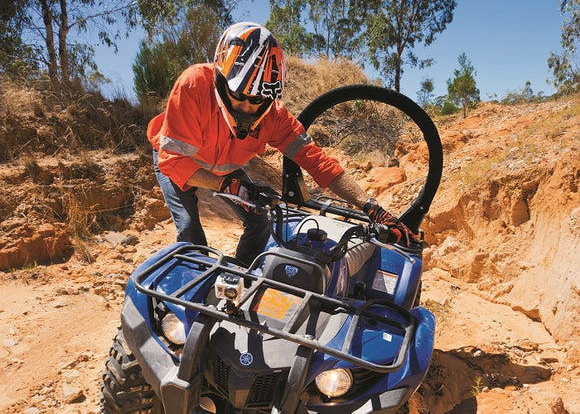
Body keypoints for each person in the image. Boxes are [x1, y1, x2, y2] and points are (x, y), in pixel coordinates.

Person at [147, 21, 418, 265]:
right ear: (220, 78)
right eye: (238, 94)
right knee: (190, 231)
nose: (246, 107)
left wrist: (371, 207)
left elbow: (319, 162)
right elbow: (174, 162)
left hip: (223, 168)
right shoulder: (194, 86)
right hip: (176, 159)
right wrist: (226, 184)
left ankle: (240, 277)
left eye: (257, 100)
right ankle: (192, 290)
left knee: (259, 222)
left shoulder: (275, 118)